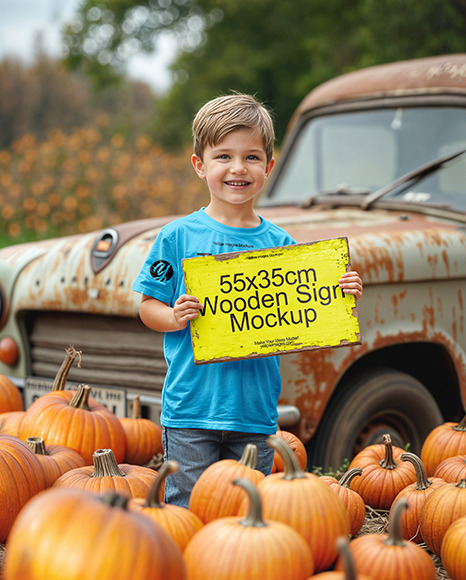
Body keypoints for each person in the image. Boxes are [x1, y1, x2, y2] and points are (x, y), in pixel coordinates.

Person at [132, 92, 363, 508]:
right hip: (190, 410)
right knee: (186, 507)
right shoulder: (177, 237)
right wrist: (174, 316)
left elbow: (310, 311)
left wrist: (341, 293)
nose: (238, 168)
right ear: (200, 165)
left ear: (269, 167)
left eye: (252, 157)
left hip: (255, 415)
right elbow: (147, 307)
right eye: (223, 156)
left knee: (248, 516)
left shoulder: (281, 246)